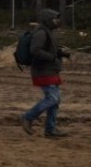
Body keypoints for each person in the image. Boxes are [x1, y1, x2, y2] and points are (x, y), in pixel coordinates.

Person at [20, 8, 70, 138]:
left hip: (50, 70)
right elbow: (35, 50)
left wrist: (60, 54)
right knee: (52, 99)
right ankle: (27, 117)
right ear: (47, 20)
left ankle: (50, 129)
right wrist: (52, 57)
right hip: (43, 71)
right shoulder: (41, 33)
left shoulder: (48, 31)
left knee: (55, 101)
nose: (57, 21)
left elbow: (47, 49)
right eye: (54, 19)